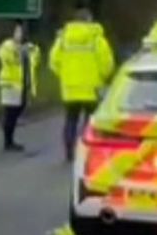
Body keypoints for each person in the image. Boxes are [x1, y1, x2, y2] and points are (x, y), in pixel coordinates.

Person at [49, 8, 115, 163]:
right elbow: (107, 64)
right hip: (92, 88)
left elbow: (53, 62)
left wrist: (65, 75)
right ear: (89, 20)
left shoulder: (63, 39)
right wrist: (102, 78)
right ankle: (85, 151)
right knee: (89, 122)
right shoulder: (96, 39)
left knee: (70, 119)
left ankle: (69, 151)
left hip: (70, 87)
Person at [0, 23, 40, 151]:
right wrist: (18, 51)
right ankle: (8, 141)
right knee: (10, 112)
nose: (19, 34)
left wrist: (29, 51)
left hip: (23, 85)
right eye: (17, 32)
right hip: (10, 84)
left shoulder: (29, 48)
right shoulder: (8, 46)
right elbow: (5, 56)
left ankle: (10, 138)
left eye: (21, 32)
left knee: (19, 109)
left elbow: (35, 58)